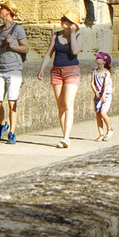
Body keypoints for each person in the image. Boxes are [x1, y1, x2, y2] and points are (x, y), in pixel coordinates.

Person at [40, 11, 83, 148]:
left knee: (68, 103)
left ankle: (66, 137)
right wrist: (42, 69)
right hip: (56, 71)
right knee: (60, 106)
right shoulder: (56, 35)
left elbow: (75, 51)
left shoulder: (78, 36)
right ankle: (65, 137)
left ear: (73, 24)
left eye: (67, 20)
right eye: (64, 19)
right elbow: (49, 54)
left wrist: (73, 34)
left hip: (72, 71)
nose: (63, 21)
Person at [0, 1, 28, 143]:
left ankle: (12, 132)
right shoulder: (0, 29)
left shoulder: (18, 29)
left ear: (8, 12)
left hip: (14, 70)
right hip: (0, 69)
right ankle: (3, 123)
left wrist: (13, 44)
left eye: (2, 8)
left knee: (12, 103)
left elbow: (26, 48)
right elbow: (2, 47)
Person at [90, 50, 113, 141]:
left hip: (106, 94)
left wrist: (103, 95)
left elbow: (106, 85)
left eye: (99, 58)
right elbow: (92, 83)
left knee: (103, 112)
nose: (97, 59)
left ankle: (109, 129)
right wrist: (95, 92)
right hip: (98, 95)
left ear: (104, 62)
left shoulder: (106, 72)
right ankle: (101, 133)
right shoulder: (94, 72)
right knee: (98, 114)